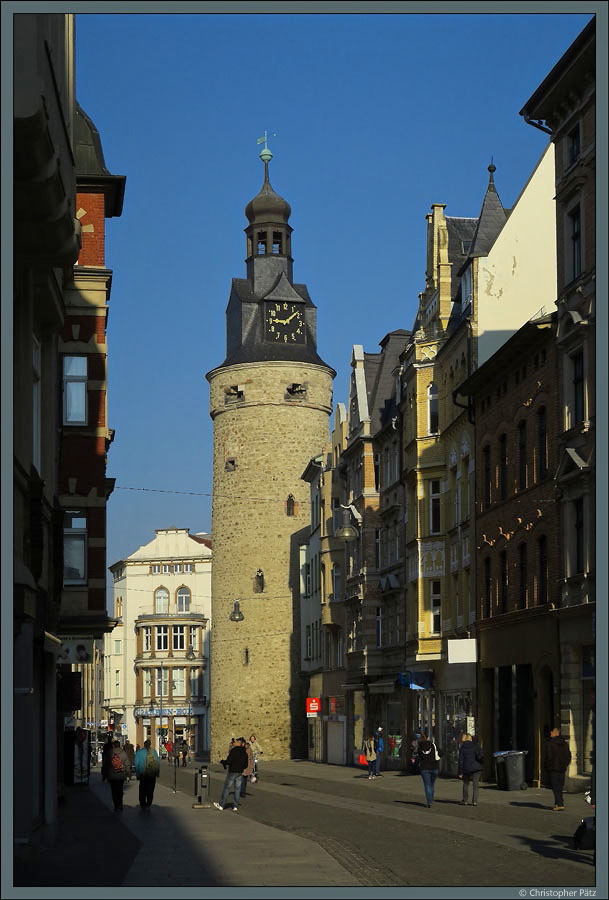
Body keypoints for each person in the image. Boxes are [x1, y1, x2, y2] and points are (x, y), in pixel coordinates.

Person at [214, 737, 249, 812]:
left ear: (238, 743)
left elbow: (228, 761)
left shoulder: (233, 751)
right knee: (237, 789)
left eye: (236, 742)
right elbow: (246, 765)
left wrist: (222, 761)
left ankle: (221, 805)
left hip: (232, 772)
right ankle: (235, 806)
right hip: (240, 772)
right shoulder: (245, 753)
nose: (234, 743)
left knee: (227, 788)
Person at [544, 726, 572, 810]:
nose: (550, 733)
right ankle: (557, 803)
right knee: (560, 787)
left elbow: (548, 757)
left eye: (551, 731)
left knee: (555, 787)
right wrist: (565, 764)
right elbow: (569, 756)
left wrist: (547, 766)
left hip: (553, 769)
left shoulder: (550, 744)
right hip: (562, 769)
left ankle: (560, 804)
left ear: (555, 733)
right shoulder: (564, 744)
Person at [102, 739, 130, 811]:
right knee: (120, 790)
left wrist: (104, 775)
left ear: (113, 745)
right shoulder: (123, 753)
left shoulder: (109, 753)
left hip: (112, 775)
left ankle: (116, 805)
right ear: (120, 745)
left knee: (114, 791)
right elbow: (127, 765)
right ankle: (120, 805)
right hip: (121, 775)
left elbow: (106, 765)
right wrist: (128, 774)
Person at [457, 733, 484, 806]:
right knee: (475, 785)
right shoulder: (476, 746)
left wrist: (460, 772)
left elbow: (461, 761)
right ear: (471, 739)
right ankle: (474, 801)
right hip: (477, 768)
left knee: (466, 784)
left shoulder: (462, 748)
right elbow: (480, 755)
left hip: (466, 769)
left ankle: (465, 800)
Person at [134, 739, 160, 810]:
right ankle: (148, 804)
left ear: (144, 744)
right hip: (152, 775)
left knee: (142, 791)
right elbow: (158, 763)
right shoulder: (154, 752)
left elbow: (136, 764)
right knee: (150, 790)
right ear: (150, 744)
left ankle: (143, 805)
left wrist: (137, 774)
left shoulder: (139, 752)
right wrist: (157, 773)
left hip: (143, 775)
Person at [418, 732, 442, 807]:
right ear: (428, 738)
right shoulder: (433, 745)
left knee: (427, 785)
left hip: (424, 768)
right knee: (432, 784)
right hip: (434, 767)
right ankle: (431, 798)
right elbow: (441, 753)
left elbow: (419, 757)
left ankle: (429, 802)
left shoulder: (420, 747)